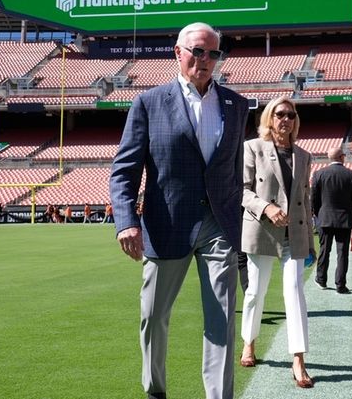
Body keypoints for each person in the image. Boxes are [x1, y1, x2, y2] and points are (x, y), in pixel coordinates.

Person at [109, 22, 249, 399]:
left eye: (213, 53)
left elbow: (235, 170)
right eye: (197, 51)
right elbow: (124, 170)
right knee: (153, 317)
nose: (204, 60)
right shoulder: (148, 103)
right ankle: (155, 391)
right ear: (177, 52)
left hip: (219, 223)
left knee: (221, 318)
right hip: (166, 224)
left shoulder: (237, 105)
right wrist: (127, 222)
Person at [238, 96, 315, 388]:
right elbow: (242, 191)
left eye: (291, 115)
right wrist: (266, 207)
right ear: (270, 119)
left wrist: (309, 242)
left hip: (293, 236)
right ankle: (249, 342)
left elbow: (305, 201)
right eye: (280, 114)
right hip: (261, 231)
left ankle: (298, 359)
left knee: (295, 292)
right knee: (255, 292)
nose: (286, 119)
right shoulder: (252, 148)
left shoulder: (304, 156)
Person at [311, 147, 352, 294]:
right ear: (342, 157)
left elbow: (313, 198)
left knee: (324, 250)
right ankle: (340, 285)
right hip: (345, 220)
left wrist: (316, 214)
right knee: (342, 253)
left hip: (325, 218)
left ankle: (321, 279)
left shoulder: (319, 174)